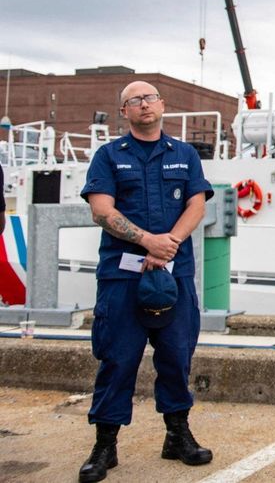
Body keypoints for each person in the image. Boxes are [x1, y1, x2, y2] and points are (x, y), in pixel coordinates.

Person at [77, 81, 214, 482]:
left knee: (175, 356)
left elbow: (197, 203)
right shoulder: (108, 156)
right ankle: (105, 446)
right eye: (134, 100)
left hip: (174, 272)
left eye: (150, 97)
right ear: (124, 111)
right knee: (117, 359)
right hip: (123, 275)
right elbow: (101, 209)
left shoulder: (185, 154)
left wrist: (168, 244)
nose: (144, 104)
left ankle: (177, 437)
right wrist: (146, 240)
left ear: (162, 105)